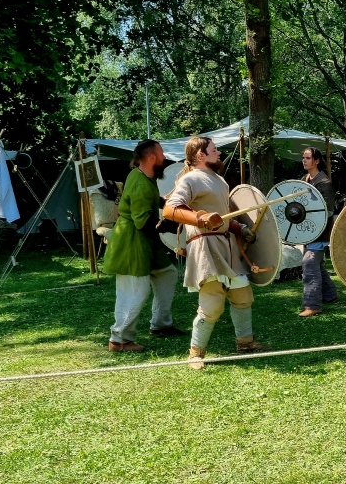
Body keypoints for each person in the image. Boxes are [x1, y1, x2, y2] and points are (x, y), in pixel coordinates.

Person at [163, 137, 267, 369]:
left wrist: (239, 228)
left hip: (227, 246)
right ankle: (195, 353)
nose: (219, 153)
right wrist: (200, 218)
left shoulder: (218, 181)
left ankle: (245, 342)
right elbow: (171, 209)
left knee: (242, 296)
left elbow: (221, 217)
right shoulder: (190, 179)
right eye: (214, 150)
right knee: (212, 302)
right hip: (206, 247)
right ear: (201, 155)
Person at [104, 139, 185, 352]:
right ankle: (119, 339)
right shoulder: (140, 182)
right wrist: (167, 223)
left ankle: (160, 325)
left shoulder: (140, 175)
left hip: (145, 241)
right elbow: (143, 222)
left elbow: (150, 198)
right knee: (134, 292)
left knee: (167, 273)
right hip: (132, 243)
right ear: (151, 158)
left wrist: (166, 203)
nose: (164, 157)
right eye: (161, 154)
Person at [298, 147, 339, 318]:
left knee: (309, 262)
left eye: (307, 158)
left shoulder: (324, 183)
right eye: (303, 157)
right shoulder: (304, 180)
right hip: (308, 230)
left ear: (316, 161)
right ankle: (330, 295)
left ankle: (312, 304)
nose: (304, 160)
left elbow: (328, 211)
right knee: (317, 263)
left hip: (320, 231)